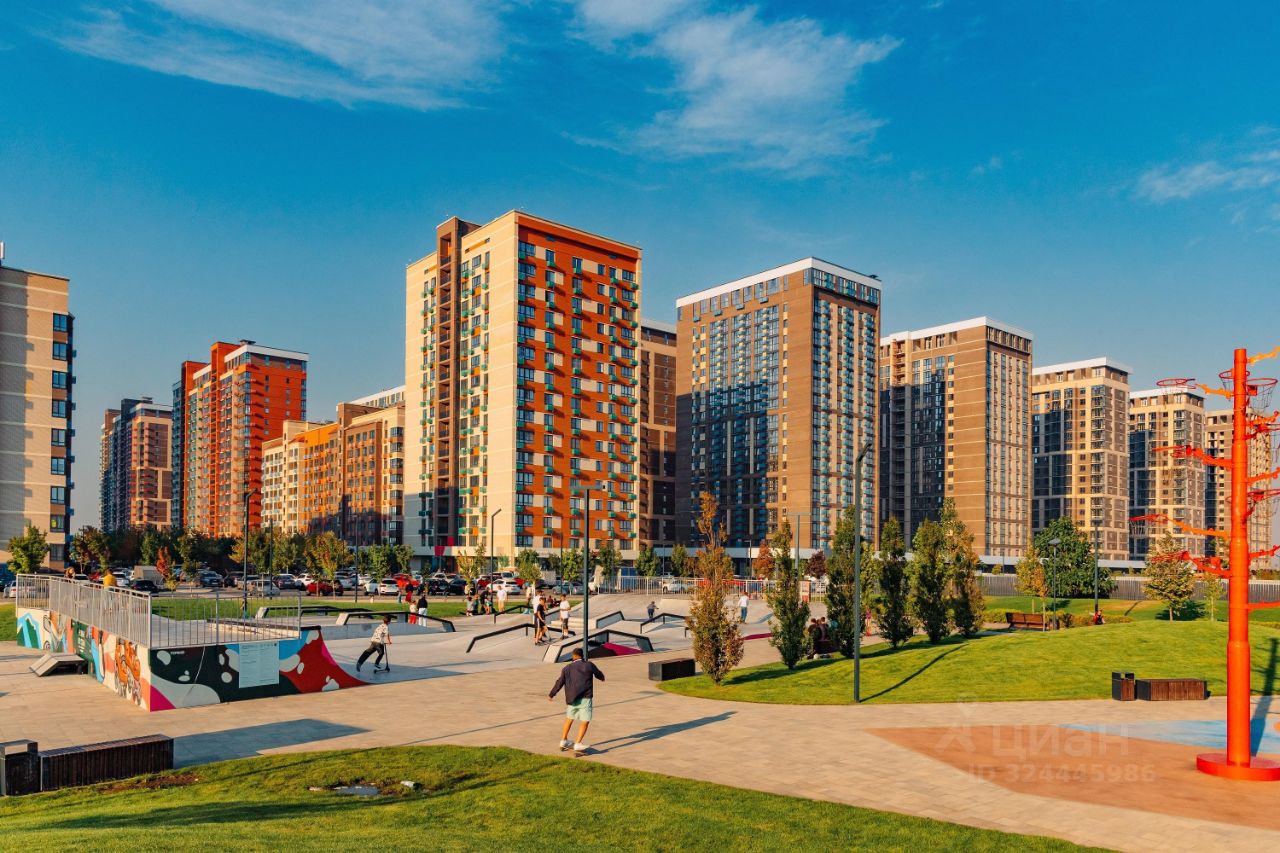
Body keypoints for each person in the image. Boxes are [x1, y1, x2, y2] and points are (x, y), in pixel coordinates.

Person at [548, 647, 605, 756]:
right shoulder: (589, 665)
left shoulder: (567, 668)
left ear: (573, 656)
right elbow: (598, 674)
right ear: (582, 655)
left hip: (572, 698)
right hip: (585, 698)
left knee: (569, 718)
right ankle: (578, 743)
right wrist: (602, 678)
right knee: (585, 720)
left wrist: (552, 694)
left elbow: (559, 682)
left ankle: (563, 740)